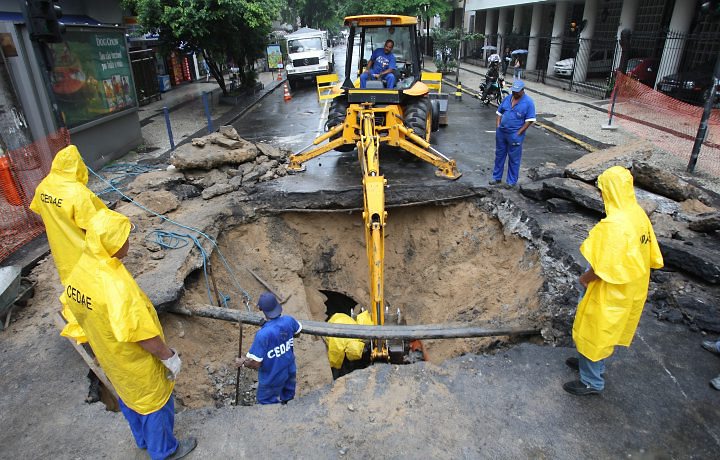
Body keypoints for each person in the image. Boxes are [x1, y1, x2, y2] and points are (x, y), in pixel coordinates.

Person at [60, 208, 196, 459]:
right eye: (124, 238)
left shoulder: (81, 269)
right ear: (112, 243)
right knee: (155, 403)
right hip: (133, 360)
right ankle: (164, 451)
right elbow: (140, 333)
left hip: (109, 355)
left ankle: (143, 440)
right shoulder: (115, 286)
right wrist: (168, 357)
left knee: (128, 396)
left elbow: (73, 310)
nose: (129, 242)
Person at [564, 166, 664, 396]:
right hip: (631, 285)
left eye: (602, 190)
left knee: (595, 330)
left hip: (609, 288)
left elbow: (601, 268)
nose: (600, 194)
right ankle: (588, 364)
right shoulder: (637, 214)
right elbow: (651, 254)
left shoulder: (614, 225)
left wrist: (584, 279)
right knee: (603, 330)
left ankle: (591, 381)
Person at [30, 144, 108, 342]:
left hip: (59, 245)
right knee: (94, 285)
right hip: (80, 247)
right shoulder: (78, 194)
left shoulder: (44, 187)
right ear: (77, 166)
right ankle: (95, 326)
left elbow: (39, 210)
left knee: (71, 281)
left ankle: (79, 312)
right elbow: (95, 226)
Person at [235, 292, 302, 405]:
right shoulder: (289, 320)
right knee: (288, 397)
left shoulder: (263, 335)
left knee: (266, 405)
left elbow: (255, 363)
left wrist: (242, 362)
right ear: (277, 305)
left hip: (272, 377)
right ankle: (288, 409)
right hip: (289, 370)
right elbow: (297, 333)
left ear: (261, 309)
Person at [490, 80, 536, 187]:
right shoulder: (507, 98)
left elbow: (529, 120)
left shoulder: (528, 103)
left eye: (516, 91)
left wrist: (519, 133)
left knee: (514, 159)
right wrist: (498, 127)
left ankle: (511, 182)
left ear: (522, 90)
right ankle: (496, 178)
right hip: (502, 132)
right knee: (499, 156)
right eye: (513, 91)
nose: (514, 93)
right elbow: (499, 112)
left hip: (515, 134)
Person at [325, 309, 372, 380]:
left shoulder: (358, 334)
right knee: (338, 369)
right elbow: (334, 359)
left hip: (342, 320)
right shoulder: (337, 343)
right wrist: (335, 369)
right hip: (334, 322)